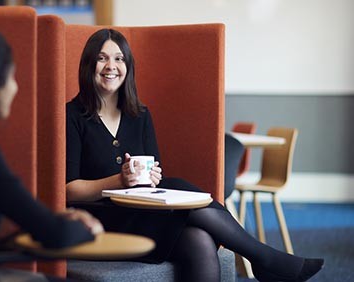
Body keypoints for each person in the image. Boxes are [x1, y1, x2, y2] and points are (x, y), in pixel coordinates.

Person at [66, 28, 324, 282]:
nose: (111, 66)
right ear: (89, 64)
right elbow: (69, 190)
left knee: (199, 239)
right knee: (178, 187)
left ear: (128, 66)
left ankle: (262, 259)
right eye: (102, 58)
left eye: (119, 58)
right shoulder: (72, 115)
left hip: (141, 213)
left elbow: (156, 174)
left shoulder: (140, 115)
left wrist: (152, 176)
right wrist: (118, 181)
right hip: (100, 221)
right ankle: (262, 257)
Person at [0, 24, 103, 282]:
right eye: (12, 78)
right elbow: (56, 236)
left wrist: (53, 222)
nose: (16, 88)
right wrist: (89, 228)